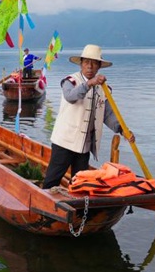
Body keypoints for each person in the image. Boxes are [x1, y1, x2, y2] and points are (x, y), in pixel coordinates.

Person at [42, 44, 135, 190]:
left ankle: (77, 204)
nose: (90, 66)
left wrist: (123, 130)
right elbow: (70, 96)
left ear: (99, 66)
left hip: (84, 145)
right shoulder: (70, 81)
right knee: (52, 180)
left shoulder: (103, 89)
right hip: (64, 141)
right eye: (86, 62)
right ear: (81, 63)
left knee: (80, 183)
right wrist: (89, 84)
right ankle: (44, 200)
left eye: (94, 63)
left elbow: (107, 114)